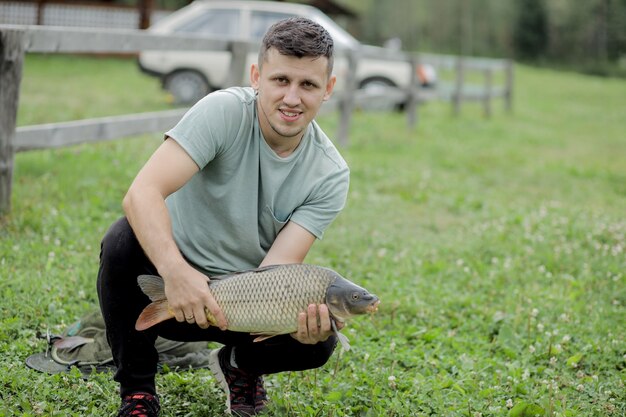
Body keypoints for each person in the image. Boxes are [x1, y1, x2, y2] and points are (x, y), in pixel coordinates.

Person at [96, 17, 349, 417]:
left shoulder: (330, 174)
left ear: (328, 89)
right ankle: (138, 392)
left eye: (309, 85)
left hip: (240, 306)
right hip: (171, 287)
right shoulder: (222, 112)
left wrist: (294, 323)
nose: (292, 98)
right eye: (281, 80)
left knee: (320, 338)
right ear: (256, 76)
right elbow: (142, 194)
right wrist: (175, 272)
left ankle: (239, 365)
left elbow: (277, 273)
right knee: (122, 241)